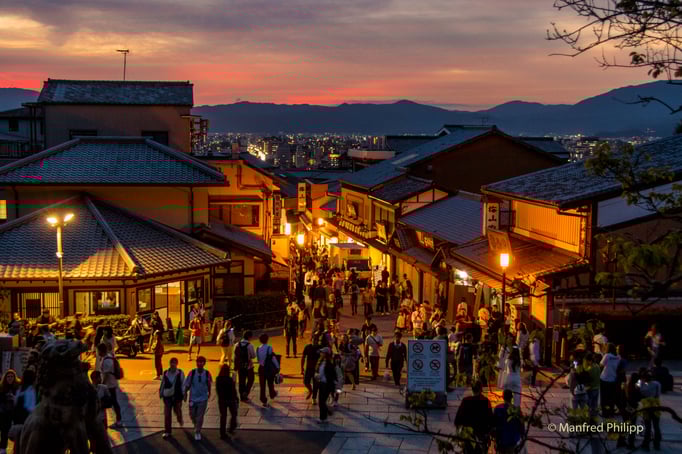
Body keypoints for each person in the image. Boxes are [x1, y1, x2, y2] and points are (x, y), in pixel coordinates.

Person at [454, 381, 494, 454]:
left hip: (468, 435)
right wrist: (489, 433)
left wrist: (459, 433)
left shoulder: (466, 401)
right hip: (482, 434)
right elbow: (490, 419)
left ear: (472, 389)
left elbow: (458, 419)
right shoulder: (485, 401)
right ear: (481, 389)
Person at [183, 356, 212, 441]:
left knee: (200, 416)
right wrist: (185, 394)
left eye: (201, 362)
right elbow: (187, 384)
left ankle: (197, 431)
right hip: (193, 398)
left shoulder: (207, 373)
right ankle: (196, 425)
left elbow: (209, 384)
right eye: (198, 362)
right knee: (192, 415)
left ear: (204, 363)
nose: (199, 364)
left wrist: (209, 393)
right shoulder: (192, 373)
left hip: (203, 398)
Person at [159, 357, 185, 439]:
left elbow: (183, 384)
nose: (173, 364)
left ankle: (180, 419)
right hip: (167, 397)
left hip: (177, 397)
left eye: (174, 363)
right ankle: (167, 431)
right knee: (167, 414)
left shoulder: (180, 373)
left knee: (177, 411)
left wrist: (184, 394)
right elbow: (163, 383)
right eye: (171, 363)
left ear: (177, 364)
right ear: (169, 364)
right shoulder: (166, 372)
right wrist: (161, 392)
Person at [97, 342, 122, 428]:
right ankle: (118, 420)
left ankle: (118, 421)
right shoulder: (107, 357)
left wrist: (102, 384)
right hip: (110, 383)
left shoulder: (107, 360)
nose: (97, 352)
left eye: (98, 350)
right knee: (113, 402)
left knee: (113, 402)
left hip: (109, 384)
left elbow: (106, 374)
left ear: (101, 350)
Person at [494, 389, 523, 454]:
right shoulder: (516, 410)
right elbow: (521, 426)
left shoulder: (498, 408)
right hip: (512, 439)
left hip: (501, 439)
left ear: (503, 397)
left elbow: (494, 424)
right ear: (511, 397)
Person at [639, 368, 662, 451]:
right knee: (656, 426)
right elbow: (658, 395)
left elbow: (639, 392)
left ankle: (646, 444)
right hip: (655, 405)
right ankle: (657, 444)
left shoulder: (641, 384)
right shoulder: (657, 384)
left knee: (648, 427)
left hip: (646, 406)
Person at [216, 363, 239, 440]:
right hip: (230, 400)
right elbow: (233, 390)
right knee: (234, 414)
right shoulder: (229, 380)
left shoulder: (218, 379)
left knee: (223, 417)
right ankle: (231, 427)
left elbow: (218, 390)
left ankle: (222, 433)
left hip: (222, 400)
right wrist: (236, 398)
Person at [256, 333, 280, 408]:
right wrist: (277, 367)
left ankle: (263, 400)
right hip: (268, 368)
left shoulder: (258, 348)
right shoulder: (269, 347)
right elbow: (272, 358)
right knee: (270, 383)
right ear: (267, 339)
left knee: (262, 385)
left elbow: (258, 360)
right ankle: (272, 394)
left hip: (261, 368)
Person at [90, 370, 111, 451]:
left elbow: (109, 400)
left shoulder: (104, 388)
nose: (101, 379)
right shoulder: (89, 389)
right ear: (94, 379)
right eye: (99, 377)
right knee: (93, 438)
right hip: (93, 418)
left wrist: (103, 403)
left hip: (102, 417)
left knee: (103, 436)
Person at [316, 347, 337, 424]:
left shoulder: (329, 364)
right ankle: (325, 414)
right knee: (321, 402)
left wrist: (318, 376)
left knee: (321, 402)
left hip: (326, 385)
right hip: (322, 384)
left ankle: (323, 418)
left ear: (326, 354)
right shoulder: (322, 362)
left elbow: (332, 376)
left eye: (322, 353)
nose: (321, 354)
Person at [234, 331, 256, 402]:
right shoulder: (250, 345)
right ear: (249, 337)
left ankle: (242, 397)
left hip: (240, 366)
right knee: (251, 379)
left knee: (241, 381)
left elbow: (235, 355)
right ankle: (246, 392)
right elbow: (253, 356)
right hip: (248, 366)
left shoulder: (237, 344)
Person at [599, 343, 620, 417]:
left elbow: (601, 364)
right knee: (611, 396)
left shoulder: (607, 356)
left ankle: (604, 412)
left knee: (604, 397)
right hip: (613, 378)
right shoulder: (618, 357)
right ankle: (611, 411)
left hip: (604, 378)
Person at [0, 370, 18, 454]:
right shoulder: (2, 388)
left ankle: (16, 449)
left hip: (14, 414)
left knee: (14, 433)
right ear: (5, 378)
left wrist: (14, 398)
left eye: (11, 376)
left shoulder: (17, 388)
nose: (10, 378)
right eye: (8, 376)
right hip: (3, 413)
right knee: (4, 431)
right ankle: (3, 449)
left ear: (14, 378)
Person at [302, 336, 322, 404]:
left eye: (316, 340)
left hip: (317, 369)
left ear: (318, 341)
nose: (314, 342)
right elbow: (303, 357)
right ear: (311, 340)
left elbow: (323, 357)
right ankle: (310, 391)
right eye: (313, 340)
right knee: (305, 381)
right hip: (308, 368)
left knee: (316, 384)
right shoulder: (307, 347)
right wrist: (301, 367)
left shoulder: (320, 348)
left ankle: (314, 398)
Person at [584, 352, 601, 417]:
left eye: (586, 361)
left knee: (588, 405)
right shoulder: (597, 366)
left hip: (590, 389)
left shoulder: (590, 369)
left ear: (589, 360)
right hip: (596, 388)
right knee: (594, 405)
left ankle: (589, 418)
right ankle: (594, 418)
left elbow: (588, 380)